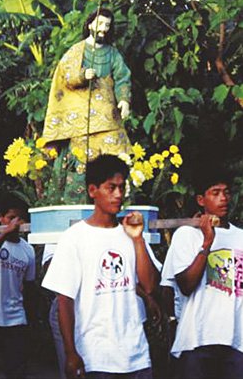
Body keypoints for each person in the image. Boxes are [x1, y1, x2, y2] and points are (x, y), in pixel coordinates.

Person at [42, 154, 161, 379]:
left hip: (136, 356)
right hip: (95, 357)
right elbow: (64, 301)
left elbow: (149, 285)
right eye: (111, 188)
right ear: (92, 190)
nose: (118, 194)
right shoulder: (74, 237)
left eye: (121, 187)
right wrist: (70, 353)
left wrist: (138, 240)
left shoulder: (132, 233)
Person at [162, 169, 243, 379]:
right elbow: (186, 285)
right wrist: (207, 243)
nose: (223, 198)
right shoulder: (187, 235)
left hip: (236, 341)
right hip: (196, 341)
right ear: (201, 199)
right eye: (215, 193)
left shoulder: (240, 237)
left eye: (226, 192)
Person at [43, 8, 132, 159]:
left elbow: (122, 77)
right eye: (100, 24)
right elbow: (66, 75)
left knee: (117, 151)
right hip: (81, 114)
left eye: (107, 25)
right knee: (80, 155)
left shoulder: (112, 53)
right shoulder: (77, 50)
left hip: (107, 113)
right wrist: (83, 75)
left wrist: (124, 100)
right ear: (90, 25)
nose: (104, 29)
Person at [0, 193, 36, 379]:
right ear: (1, 218)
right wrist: (5, 233)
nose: (16, 224)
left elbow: (30, 287)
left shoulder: (28, 249)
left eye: (20, 219)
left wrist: (31, 321)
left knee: (17, 371)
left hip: (16, 320)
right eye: (11, 218)